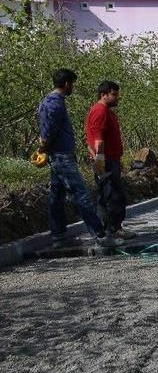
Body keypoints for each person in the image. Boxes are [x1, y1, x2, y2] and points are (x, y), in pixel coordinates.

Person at [38, 69, 121, 248]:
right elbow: (48, 132)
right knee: (81, 194)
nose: (72, 88)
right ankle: (99, 235)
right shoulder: (54, 104)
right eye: (72, 84)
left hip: (58, 155)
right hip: (61, 156)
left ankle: (59, 237)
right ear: (67, 83)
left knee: (57, 195)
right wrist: (43, 147)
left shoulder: (49, 101)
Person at [85, 80, 135, 239]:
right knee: (113, 195)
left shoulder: (106, 111)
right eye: (113, 94)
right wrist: (100, 162)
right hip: (105, 161)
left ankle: (106, 230)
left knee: (106, 195)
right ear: (103, 95)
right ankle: (113, 229)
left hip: (110, 159)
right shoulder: (100, 111)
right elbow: (97, 140)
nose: (117, 98)